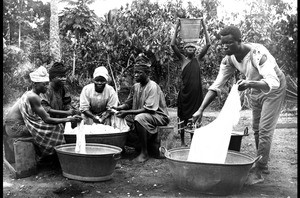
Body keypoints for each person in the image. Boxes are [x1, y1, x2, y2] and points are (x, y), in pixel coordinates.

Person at [192, 25, 286, 185]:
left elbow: (273, 82)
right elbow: (217, 85)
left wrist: (249, 83)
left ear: (239, 41)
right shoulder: (229, 59)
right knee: (256, 128)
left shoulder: (257, 54)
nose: (224, 47)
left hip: (274, 89)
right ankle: (263, 164)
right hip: (256, 88)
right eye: (222, 44)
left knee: (265, 129)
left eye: (228, 43)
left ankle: (259, 170)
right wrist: (200, 110)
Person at [13, 66, 82, 164]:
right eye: (44, 85)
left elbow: (66, 104)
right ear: (34, 84)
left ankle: (53, 154)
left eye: (47, 84)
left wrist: (70, 113)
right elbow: (47, 119)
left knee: (58, 125)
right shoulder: (34, 97)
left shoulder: (32, 94)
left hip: (26, 122)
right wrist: (69, 119)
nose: (46, 87)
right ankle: (53, 155)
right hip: (22, 126)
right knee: (57, 127)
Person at [113, 53, 170, 163]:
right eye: (134, 73)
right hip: (145, 114)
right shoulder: (135, 87)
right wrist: (118, 108)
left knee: (140, 118)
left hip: (159, 116)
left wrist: (127, 112)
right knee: (117, 118)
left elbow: (148, 110)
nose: (135, 75)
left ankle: (144, 153)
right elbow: (128, 104)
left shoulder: (152, 87)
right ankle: (122, 148)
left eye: (139, 72)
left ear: (147, 73)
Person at [171, 18, 211, 146]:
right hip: (184, 95)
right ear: (184, 50)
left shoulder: (198, 59)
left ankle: (194, 141)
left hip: (196, 95)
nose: (190, 49)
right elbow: (172, 45)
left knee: (195, 116)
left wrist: (204, 25)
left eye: (192, 48)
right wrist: (177, 25)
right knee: (183, 117)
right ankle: (183, 142)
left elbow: (208, 44)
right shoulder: (183, 60)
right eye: (188, 47)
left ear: (195, 50)